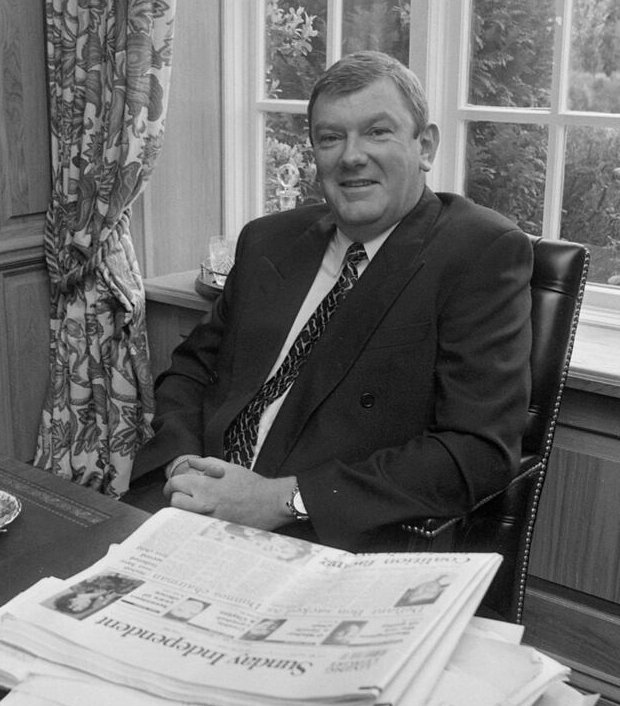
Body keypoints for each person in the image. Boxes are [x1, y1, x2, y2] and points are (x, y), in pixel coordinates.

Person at [128, 51, 533, 553]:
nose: (351, 156)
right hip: (188, 503)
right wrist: (182, 466)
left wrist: (280, 500)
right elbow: (190, 372)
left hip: (323, 533)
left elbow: (476, 452)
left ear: (425, 145)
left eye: (378, 132)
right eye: (330, 137)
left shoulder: (479, 253)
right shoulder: (268, 241)